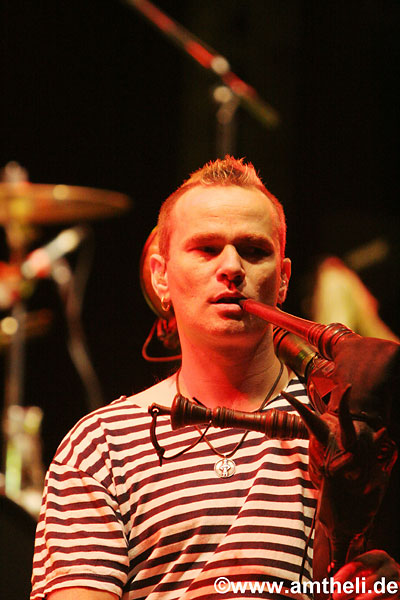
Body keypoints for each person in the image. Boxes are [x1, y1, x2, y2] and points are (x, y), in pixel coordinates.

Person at [31, 157, 399, 600]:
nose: (232, 268)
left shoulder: (343, 430)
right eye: (206, 248)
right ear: (160, 277)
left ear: (283, 280)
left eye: (254, 250)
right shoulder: (100, 445)